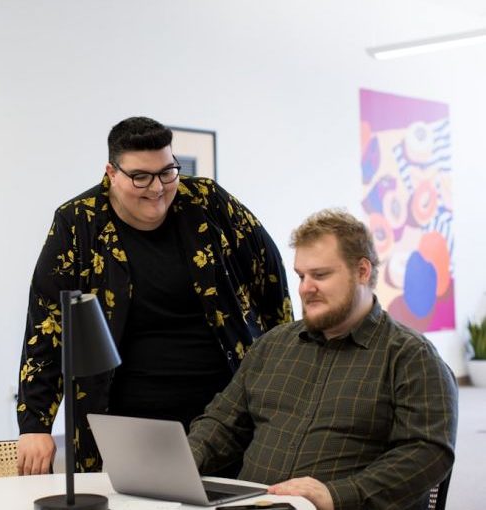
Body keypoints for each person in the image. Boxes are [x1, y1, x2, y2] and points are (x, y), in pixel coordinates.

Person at [17, 116, 293, 475]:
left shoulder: (208, 203)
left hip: (224, 411)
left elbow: (270, 279)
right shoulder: (78, 223)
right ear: (111, 172)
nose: (157, 188)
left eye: (167, 172)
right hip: (127, 416)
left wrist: (285, 373)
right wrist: (36, 425)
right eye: (140, 177)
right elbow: (48, 323)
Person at [188, 208, 458, 510]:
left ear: (362, 271)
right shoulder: (273, 346)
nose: (306, 288)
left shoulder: (411, 357)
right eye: (301, 276)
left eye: (321, 275)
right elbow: (222, 423)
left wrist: (336, 496)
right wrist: (182, 462)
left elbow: (426, 454)